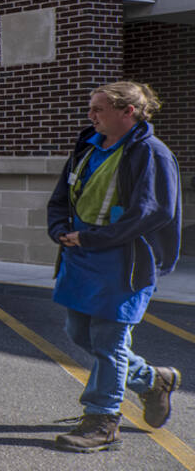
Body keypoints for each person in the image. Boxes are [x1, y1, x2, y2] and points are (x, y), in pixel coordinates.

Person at [48, 81, 183, 452]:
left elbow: (154, 213)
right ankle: (152, 380)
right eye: (91, 109)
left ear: (129, 112)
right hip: (82, 256)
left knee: (109, 342)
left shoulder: (151, 154)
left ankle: (103, 420)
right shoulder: (87, 148)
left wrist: (92, 238)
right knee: (80, 333)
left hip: (123, 261)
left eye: (99, 109)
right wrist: (59, 228)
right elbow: (61, 198)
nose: (91, 116)